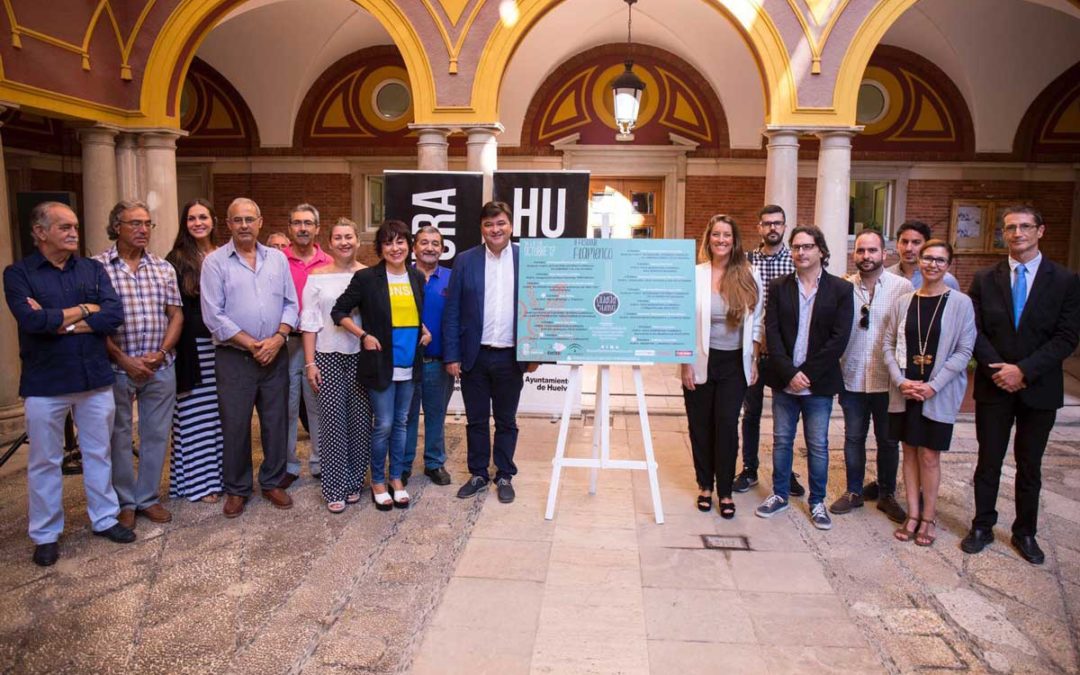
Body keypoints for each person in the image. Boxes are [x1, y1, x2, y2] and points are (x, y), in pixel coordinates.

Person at [4, 201, 134, 566]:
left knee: (98, 453)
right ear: (40, 232)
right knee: (45, 460)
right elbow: (30, 322)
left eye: (75, 226)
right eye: (64, 227)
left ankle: (104, 518)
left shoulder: (92, 269)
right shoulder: (19, 274)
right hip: (46, 381)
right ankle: (45, 534)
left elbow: (112, 315)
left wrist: (63, 319)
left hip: (93, 377)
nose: (73, 232)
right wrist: (84, 309)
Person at [962, 206, 1080, 564]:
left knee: (1030, 464)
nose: (1017, 233)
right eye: (1010, 227)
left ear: (1040, 231)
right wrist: (999, 368)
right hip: (994, 383)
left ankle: (1025, 531)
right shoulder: (985, 278)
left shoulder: (1065, 280)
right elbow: (974, 329)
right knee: (989, 461)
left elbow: (1067, 337)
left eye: (1025, 226)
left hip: (1039, 387)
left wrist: (1023, 371)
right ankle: (982, 525)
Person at [201, 197, 298, 518]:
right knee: (235, 424)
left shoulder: (278, 260)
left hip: (276, 354)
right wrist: (253, 344)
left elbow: (291, 304)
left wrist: (278, 338)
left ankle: (272, 481)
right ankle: (237, 488)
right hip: (234, 358)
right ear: (227, 224)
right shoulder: (215, 262)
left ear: (260, 222)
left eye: (249, 219)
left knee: (276, 421)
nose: (244, 225)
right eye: (237, 220)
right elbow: (213, 316)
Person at [756, 225, 853, 530]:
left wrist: (807, 374)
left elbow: (839, 338)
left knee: (818, 445)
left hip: (819, 384)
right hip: (785, 381)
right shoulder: (779, 285)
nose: (801, 252)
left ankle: (817, 501)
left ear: (821, 251)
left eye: (807, 246)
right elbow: (772, 331)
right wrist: (789, 373)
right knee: (782, 441)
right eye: (796, 247)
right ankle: (780, 494)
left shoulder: (840, 289)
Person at [94, 200, 183, 529]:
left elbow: (176, 314)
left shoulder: (162, 268)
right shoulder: (97, 267)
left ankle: (147, 498)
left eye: (147, 223)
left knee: (156, 434)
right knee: (118, 436)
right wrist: (123, 359)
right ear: (117, 226)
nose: (143, 229)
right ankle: (124, 502)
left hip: (160, 365)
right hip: (116, 367)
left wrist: (161, 352)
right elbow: (93, 322)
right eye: (135, 223)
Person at [444, 201, 539, 504]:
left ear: (510, 225)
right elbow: (453, 311)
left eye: (500, 223)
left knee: (507, 420)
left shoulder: (528, 259)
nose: (495, 229)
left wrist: (535, 350)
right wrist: (452, 355)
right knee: (475, 420)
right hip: (475, 355)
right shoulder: (465, 261)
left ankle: (505, 474)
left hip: (512, 356)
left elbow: (539, 305)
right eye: (488, 224)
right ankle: (478, 473)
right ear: (481, 228)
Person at [883, 240, 975, 546]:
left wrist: (933, 385)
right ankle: (912, 513)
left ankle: (928, 517)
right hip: (906, 390)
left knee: (930, 455)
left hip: (938, 391)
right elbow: (886, 344)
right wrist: (900, 381)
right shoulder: (903, 302)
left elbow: (964, 351)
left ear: (948, 265)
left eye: (940, 260)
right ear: (919, 262)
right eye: (927, 258)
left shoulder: (960, 303)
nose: (932, 264)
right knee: (908, 451)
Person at [332, 220, 429, 511]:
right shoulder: (367, 278)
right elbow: (338, 311)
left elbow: (409, 314)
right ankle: (377, 480)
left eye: (400, 242)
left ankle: (395, 479)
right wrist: (363, 335)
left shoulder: (416, 276)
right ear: (380, 248)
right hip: (381, 363)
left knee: (401, 423)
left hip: (410, 362)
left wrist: (423, 329)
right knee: (384, 425)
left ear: (409, 246)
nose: (395, 248)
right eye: (388, 243)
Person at [681, 215, 764, 518]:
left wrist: (754, 359)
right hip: (701, 360)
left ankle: (725, 491)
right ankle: (705, 485)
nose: (721, 240)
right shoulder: (695, 275)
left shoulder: (749, 275)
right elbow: (685, 323)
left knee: (727, 425)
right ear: (708, 238)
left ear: (735, 239)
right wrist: (685, 363)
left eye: (726, 235)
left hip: (735, 364)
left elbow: (757, 324)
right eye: (716, 234)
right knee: (700, 425)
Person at [831, 229, 912, 523]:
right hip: (852, 376)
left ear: (884, 254)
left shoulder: (902, 288)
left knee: (888, 441)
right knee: (853, 438)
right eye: (861, 251)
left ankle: (887, 493)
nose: (866, 257)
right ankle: (853, 491)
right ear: (854, 255)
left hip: (887, 380)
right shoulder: (843, 288)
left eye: (872, 251)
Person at [301, 218, 370, 513]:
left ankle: (354, 481)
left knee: (360, 421)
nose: (344, 242)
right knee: (331, 423)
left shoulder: (369, 275)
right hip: (327, 355)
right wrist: (310, 363)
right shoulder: (316, 277)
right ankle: (333, 486)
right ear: (329, 243)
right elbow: (309, 323)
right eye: (338, 237)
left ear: (357, 241)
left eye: (349, 236)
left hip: (362, 356)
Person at [737, 205, 804, 497]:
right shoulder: (746, 261)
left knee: (784, 416)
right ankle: (749, 469)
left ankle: (784, 471)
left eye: (777, 223)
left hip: (783, 352)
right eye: (767, 224)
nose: (772, 228)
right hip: (752, 350)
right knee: (750, 413)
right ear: (758, 227)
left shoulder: (795, 262)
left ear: (785, 226)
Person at [166, 198, 226, 503]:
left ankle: (220, 478)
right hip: (194, 346)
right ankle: (199, 484)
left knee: (219, 417)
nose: (198, 223)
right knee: (194, 416)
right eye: (192, 218)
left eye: (203, 216)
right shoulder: (176, 259)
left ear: (213, 220)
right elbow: (174, 309)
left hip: (224, 345)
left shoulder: (225, 255)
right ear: (184, 223)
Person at [282, 203, 330, 487]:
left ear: (317, 228)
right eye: (297, 223)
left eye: (308, 223)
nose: (302, 228)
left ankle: (320, 462)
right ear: (290, 228)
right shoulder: (276, 260)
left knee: (317, 405)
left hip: (318, 343)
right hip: (287, 343)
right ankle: (288, 465)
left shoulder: (328, 261)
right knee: (286, 406)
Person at [403, 225, 454, 487]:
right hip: (406, 364)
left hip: (438, 362)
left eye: (435, 243)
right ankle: (402, 465)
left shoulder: (451, 278)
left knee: (436, 415)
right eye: (424, 242)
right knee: (407, 416)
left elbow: (457, 320)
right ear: (414, 247)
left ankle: (434, 463)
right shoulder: (401, 276)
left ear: (443, 249)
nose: (430, 248)